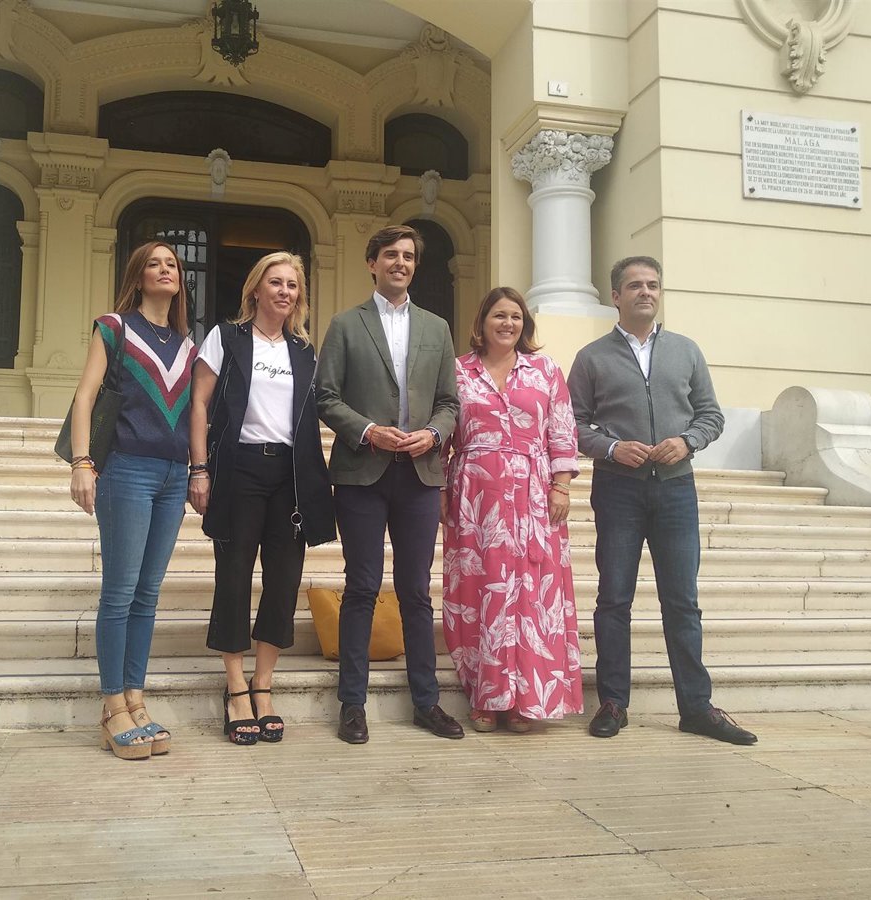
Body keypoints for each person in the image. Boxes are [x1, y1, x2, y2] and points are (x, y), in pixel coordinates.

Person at [567, 255, 757, 745]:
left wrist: (688, 441)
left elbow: (711, 415)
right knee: (614, 599)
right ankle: (613, 702)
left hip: (675, 489)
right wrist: (612, 448)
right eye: (635, 285)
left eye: (652, 284)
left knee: (682, 602)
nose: (645, 292)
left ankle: (695, 708)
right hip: (618, 489)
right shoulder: (591, 358)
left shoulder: (686, 351)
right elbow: (572, 424)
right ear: (616, 296)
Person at [316, 224, 463, 744]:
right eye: (390, 255)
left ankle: (427, 702)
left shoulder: (437, 328)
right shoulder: (345, 325)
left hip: (420, 474)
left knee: (415, 590)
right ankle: (352, 704)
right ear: (372, 263)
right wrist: (368, 430)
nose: (400, 263)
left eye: (408, 256)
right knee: (361, 587)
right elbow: (326, 396)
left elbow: (449, 401)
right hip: (363, 470)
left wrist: (434, 434)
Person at [188, 251, 335, 745]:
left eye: (292, 285)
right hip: (238, 469)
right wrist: (199, 468)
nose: (284, 291)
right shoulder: (226, 337)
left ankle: (263, 685)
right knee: (233, 577)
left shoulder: (304, 350)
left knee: (283, 581)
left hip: (290, 474)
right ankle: (235, 688)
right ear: (256, 289)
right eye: (275, 282)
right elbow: (200, 403)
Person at [69, 241, 197, 760]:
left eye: (173, 264)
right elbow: (85, 395)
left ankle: (136, 699)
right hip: (126, 470)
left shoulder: (189, 345)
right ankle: (111, 706)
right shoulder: (114, 328)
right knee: (120, 592)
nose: (165, 269)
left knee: (148, 594)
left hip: (173, 475)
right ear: (138, 275)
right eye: (154, 263)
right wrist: (82, 463)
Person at [442, 287, 583, 733]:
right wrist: (440, 488)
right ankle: (486, 695)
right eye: (499, 316)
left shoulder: (545, 370)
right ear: (482, 321)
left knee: (531, 593)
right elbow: (443, 429)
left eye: (516, 317)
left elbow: (562, 430)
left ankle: (526, 699)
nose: (508, 324)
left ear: (525, 324)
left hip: (534, 496)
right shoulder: (458, 371)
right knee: (478, 590)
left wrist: (561, 486)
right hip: (474, 497)